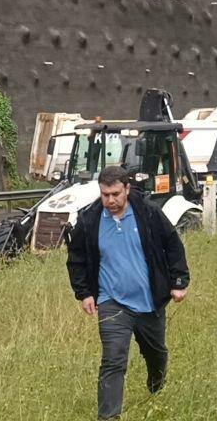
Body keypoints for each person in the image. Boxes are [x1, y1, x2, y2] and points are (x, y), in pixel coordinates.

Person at [67, 166, 190, 420]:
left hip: (149, 302)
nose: (110, 200)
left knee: (156, 354)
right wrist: (85, 293)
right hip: (112, 301)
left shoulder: (148, 213)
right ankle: (109, 417)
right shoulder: (90, 220)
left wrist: (179, 281)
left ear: (126, 189)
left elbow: (173, 245)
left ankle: (156, 383)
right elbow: (76, 258)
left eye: (115, 194)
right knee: (113, 360)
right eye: (104, 195)